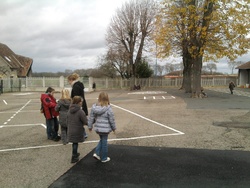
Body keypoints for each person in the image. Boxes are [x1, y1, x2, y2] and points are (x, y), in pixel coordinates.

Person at [88, 92, 116, 163]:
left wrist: (90, 126)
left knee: (102, 140)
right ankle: (104, 158)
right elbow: (111, 119)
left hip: (98, 128)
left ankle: (97, 153)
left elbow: (91, 118)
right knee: (104, 143)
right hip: (105, 129)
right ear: (107, 99)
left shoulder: (95, 108)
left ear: (99, 98)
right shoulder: (108, 108)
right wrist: (114, 128)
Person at [67, 96, 88, 163]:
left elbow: (67, 119)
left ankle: (75, 153)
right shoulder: (80, 111)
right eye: (81, 101)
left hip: (71, 129)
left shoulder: (69, 110)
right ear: (79, 102)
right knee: (75, 143)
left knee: (74, 143)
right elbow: (85, 121)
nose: (82, 103)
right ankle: (74, 156)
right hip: (77, 129)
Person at [67, 73, 88, 139]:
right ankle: (83, 133)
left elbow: (76, 98)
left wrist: (74, 105)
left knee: (78, 120)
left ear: (71, 80)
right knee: (79, 120)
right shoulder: (78, 85)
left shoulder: (76, 86)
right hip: (80, 104)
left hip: (78, 105)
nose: (69, 82)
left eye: (69, 81)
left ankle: (83, 134)